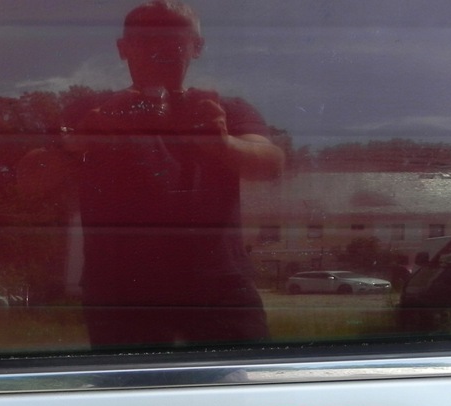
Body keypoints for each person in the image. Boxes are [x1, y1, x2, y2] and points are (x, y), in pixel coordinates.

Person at [21, 0, 284, 348]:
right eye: (145, 40)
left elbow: (271, 164)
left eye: (173, 39)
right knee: (140, 383)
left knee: (231, 380)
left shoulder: (222, 109)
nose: (159, 49)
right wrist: (80, 141)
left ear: (196, 47)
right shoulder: (89, 111)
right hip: (121, 289)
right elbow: (29, 181)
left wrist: (220, 143)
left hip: (217, 285)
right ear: (123, 49)